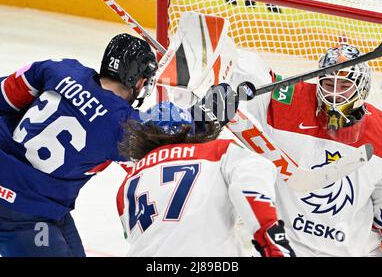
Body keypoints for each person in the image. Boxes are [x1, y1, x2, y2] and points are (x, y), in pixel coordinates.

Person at [0, 33, 159, 257]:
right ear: (139, 81)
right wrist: (198, 113)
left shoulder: (59, 69)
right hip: (21, 217)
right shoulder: (123, 126)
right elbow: (167, 144)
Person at [228, 43, 382, 256]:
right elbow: (245, 70)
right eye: (328, 84)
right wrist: (219, 82)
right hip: (283, 249)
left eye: (344, 86)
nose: (335, 95)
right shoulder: (286, 102)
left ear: (361, 87)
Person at [116, 100, 296, 257]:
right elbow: (253, 174)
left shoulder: (127, 184)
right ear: (189, 131)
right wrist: (272, 239)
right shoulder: (217, 151)